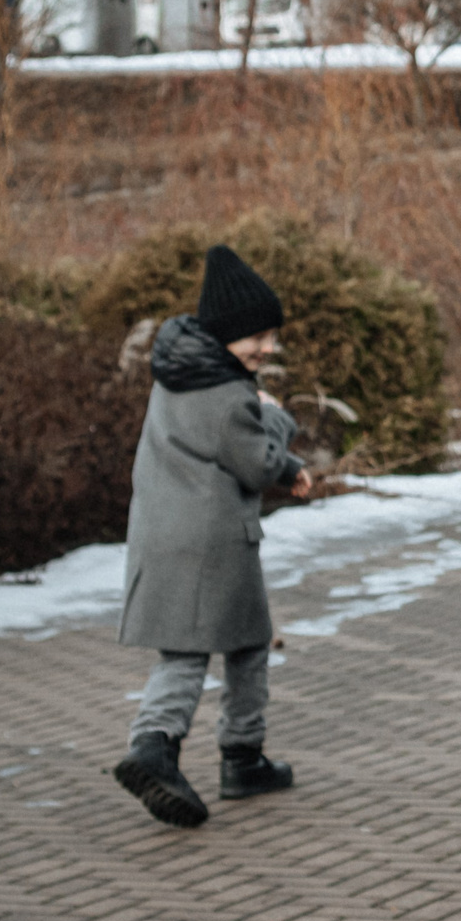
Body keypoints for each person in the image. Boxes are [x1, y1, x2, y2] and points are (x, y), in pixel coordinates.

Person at [112, 245, 314, 827]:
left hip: (164, 532)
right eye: (260, 336)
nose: (269, 347)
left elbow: (230, 452)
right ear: (229, 333)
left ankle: (239, 755)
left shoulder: (178, 375)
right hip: (211, 544)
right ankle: (157, 748)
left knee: (246, 643)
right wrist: (275, 414)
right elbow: (253, 459)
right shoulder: (230, 396)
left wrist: (288, 462)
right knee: (190, 653)